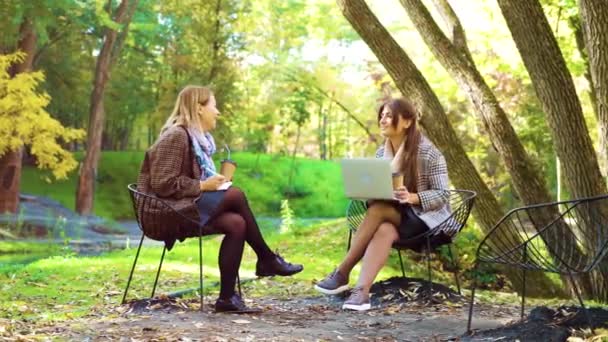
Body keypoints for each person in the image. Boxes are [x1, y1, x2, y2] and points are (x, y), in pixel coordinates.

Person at [137, 85, 303, 313]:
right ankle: (266, 258)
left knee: (237, 223)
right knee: (236, 194)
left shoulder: (197, 140)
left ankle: (227, 299)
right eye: (214, 106)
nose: (218, 112)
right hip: (164, 213)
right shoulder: (176, 136)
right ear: (198, 108)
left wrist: (211, 183)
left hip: (182, 206)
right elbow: (162, 183)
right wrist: (203, 185)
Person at [314, 98, 450, 311]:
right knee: (384, 228)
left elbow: (443, 194)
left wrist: (412, 197)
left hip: (424, 219)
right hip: (393, 217)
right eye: (382, 116)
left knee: (379, 210)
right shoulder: (381, 153)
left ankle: (342, 272)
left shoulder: (428, 152)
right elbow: (377, 189)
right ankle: (361, 293)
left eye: (389, 116)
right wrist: (368, 192)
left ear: (407, 122)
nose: (383, 120)